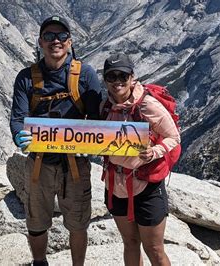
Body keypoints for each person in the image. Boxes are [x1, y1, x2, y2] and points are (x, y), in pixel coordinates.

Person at [10, 15, 102, 266]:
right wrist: (20, 135)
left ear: (70, 42)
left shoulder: (85, 75)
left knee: (78, 222)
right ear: (40, 42)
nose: (56, 41)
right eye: (49, 36)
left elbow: (97, 119)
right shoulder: (26, 78)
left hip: (76, 163)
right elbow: (18, 118)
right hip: (39, 163)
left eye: (61, 36)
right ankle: (40, 263)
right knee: (37, 222)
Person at [100, 53, 181, 266]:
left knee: (154, 248)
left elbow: (174, 137)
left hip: (147, 186)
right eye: (111, 76)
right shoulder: (105, 107)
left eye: (122, 76)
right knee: (130, 242)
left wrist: (154, 152)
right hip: (116, 185)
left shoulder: (147, 105)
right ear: (105, 80)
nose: (117, 81)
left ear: (132, 77)